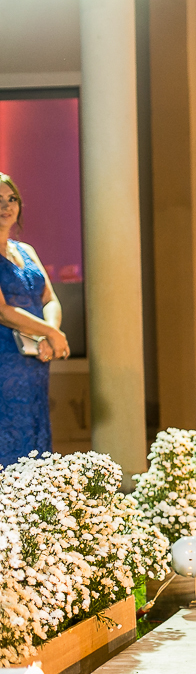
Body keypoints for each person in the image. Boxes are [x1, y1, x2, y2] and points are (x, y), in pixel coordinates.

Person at [0, 173, 70, 467]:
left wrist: (49, 335)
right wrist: (52, 335)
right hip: (5, 359)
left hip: (36, 357)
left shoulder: (26, 251)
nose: (6, 206)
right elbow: (3, 310)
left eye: (11, 199)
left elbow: (49, 298)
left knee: (36, 427)